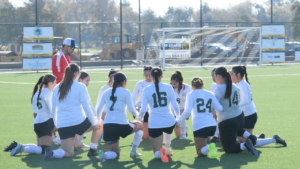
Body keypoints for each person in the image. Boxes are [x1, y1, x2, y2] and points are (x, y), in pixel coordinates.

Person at [46, 63, 102, 161]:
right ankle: (93, 149)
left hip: (63, 125)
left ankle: (52, 153)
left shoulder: (56, 88)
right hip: (79, 123)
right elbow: (87, 108)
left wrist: (57, 125)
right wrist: (94, 124)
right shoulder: (80, 86)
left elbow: (53, 110)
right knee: (100, 122)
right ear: (77, 73)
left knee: (68, 152)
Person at [231, 66, 287, 147]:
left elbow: (245, 100)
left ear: (238, 75)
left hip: (249, 116)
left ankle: (274, 139)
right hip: (247, 115)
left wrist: (235, 107)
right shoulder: (240, 84)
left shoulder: (242, 84)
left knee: (249, 143)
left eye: (232, 74)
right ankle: (258, 137)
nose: (231, 76)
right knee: (241, 139)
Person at [96, 73, 143, 162]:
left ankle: (105, 155)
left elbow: (98, 110)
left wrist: (98, 122)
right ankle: (134, 150)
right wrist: (139, 116)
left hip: (108, 126)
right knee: (140, 126)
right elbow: (131, 110)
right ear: (124, 82)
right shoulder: (126, 92)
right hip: (121, 126)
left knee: (115, 154)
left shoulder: (106, 92)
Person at [9, 74, 60, 157]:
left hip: (38, 123)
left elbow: (36, 111)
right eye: (54, 83)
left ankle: (21, 146)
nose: (55, 85)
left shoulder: (37, 93)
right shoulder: (48, 93)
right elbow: (52, 110)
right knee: (67, 125)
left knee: (41, 147)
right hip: (45, 123)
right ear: (50, 83)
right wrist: (58, 121)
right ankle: (69, 145)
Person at [138, 67, 180, 163]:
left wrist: (139, 119)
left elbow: (143, 109)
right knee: (168, 130)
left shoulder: (146, 89)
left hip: (154, 122)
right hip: (169, 120)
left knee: (156, 155)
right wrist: (177, 118)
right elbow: (175, 106)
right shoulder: (169, 87)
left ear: (151, 76)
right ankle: (167, 148)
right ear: (162, 76)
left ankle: (160, 152)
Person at [213, 66, 257, 155]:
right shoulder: (235, 86)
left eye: (214, 76)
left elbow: (214, 105)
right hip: (239, 117)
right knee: (235, 129)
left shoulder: (218, 89)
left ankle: (246, 144)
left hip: (227, 120)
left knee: (229, 148)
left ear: (218, 76)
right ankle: (250, 136)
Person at [177, 77, 223, 158]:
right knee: (203, 147)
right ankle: (208, 147)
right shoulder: (210, 94)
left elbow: (187, 111)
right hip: (212, 126)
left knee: (199, 152)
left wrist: (178, 121)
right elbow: (219, 108)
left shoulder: (190, 94)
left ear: (192, 87)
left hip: (200, 126)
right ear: (203, 85)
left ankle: (209, 147)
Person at [76, 71, 104, 148]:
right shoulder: (81, 89)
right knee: (96, 122)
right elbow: (87, 107)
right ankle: (80, 142)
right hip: (76, 121)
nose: (88, 83)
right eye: (87, 80)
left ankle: (78, 141)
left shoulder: (78, 88)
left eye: (89, 81)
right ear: (80, 80)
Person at [131, 66, 153, 139]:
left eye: (150, 75)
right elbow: (133, 98)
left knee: (149, 136)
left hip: (152, 110)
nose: (148, 77)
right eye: (146, 75)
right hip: (141, 109)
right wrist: (135, 108)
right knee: (145, 137)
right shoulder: (139, 84)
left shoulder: (155, 84)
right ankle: (139, 126)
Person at [170, 70, 191, 139]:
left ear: (180, 82)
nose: (173, 85)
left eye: (175, 84)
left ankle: (183, 133)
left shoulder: (187, 88)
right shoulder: (170, 88)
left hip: (183, 109)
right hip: (172, 109)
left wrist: (187, 111)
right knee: (177, 134)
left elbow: (191, 101)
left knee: (182, 116)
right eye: (172, 83)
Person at [210, 68, 220, 142]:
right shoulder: (213, 85)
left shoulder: (222, 86)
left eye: (214, 75)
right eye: (212, 75)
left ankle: (216, 136)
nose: (213, 77)